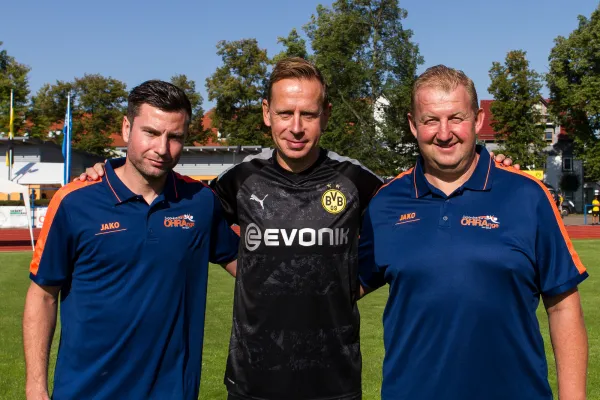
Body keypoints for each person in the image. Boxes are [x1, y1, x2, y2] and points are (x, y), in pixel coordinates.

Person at [78, 58, 516, 400]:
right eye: (285, 112)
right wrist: (107, 171)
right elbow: (173, 198)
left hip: (334, 382)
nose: (297, 126)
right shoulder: (236, 182)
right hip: (252, 381)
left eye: (308, 113)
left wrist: (491, 168)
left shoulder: (359, 182)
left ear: (325, 114)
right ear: (267, 114)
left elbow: (418, 206)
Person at [358, 65, 588, 400]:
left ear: (477, 120)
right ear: (413, 125)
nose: (444, 132)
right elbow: (342, 287)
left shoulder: (527, 195)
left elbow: (563, 306)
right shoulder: (386, 202)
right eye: (430, 120)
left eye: (456, 118)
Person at [22, 80, 239, 400]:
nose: (162, 148)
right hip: (85, 392)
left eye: (175, 137)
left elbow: (252, 271)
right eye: (150, 132)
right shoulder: (75, 202)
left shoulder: (200, 203)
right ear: (127, 128)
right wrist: (35, 387)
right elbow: (43, 297)